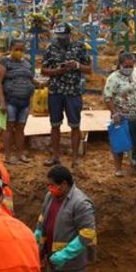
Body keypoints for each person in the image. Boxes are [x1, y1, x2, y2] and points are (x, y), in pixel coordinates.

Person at [41, 23, 90, 167]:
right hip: (55, 91)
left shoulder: (80, 47)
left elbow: (89, 69)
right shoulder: (51, 48)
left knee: (75, 125)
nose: (60, 39)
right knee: (55, 124)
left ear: (70, 34)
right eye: (58, 37)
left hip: (73, 91)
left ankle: (75, 159)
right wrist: (57, 71)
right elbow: (43, 70)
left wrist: (77, 65)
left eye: (63, 36)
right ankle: (55, 156)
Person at [102, 52, 136, 177]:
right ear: (120, 65)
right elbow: (107, 97)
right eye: (125, 66)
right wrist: (114, 113)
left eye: (131, 66)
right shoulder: (113, 78)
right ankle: (118, 169)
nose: (128, 68)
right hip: (121, 116)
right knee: (120, 143)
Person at [0, 37, 35, 164]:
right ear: (10, 49)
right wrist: (2, 101)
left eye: (21, 49)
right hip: (10, 100)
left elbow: (30, 79)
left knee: (21, 128)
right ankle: (7, 156)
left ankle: (20, 154)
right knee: (9, 128)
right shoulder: (4, 62)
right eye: (16, 49)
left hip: (25, 101)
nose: (19, 51)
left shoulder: (27, 63)